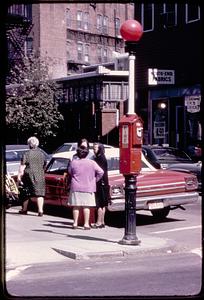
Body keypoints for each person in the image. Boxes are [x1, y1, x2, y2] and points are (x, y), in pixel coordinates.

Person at [68, 145, 104, 229]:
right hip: (88, 187)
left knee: (76, 206)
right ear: (87, 153)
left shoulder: (73, 162)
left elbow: (70, 171)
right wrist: (95, 180)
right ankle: (86, 224)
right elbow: (101, 172)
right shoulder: (92, 163)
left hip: (76, 186)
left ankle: (75, 223)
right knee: (86, 206)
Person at [17, 136, 47, 216]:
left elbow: (22, 166)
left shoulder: (26, 154)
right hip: (40, 175)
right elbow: (44, 165)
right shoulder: (42, 154)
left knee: (26, 193)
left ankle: (24, 209)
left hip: (28, 175)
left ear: (29, 144)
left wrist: (19, 176)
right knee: (40, 193)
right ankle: (40, 211)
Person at [91, 142, 110, 229]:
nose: (93, 150)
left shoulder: (98, 159)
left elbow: (99, 172)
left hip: (100, 183)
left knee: (99, 203)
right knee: (103, 204)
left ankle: (98, 222)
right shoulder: (103, 157)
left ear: (99, 149)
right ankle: (102, 222)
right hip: (105, 183)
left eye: (95, 148)